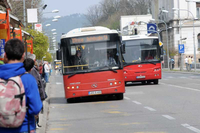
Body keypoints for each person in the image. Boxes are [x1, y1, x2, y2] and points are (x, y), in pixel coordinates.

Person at [0, 38, 42, 133]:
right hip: (24, 128)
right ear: (23, 56)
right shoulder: (28, 79)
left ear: (5, 55)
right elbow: (36, 108)